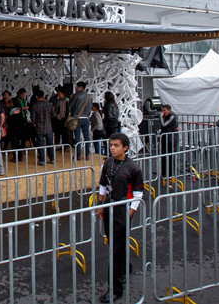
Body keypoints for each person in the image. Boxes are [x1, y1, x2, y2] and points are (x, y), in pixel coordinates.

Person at [96, 133, 144, 303]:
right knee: (114, 244)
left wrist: (130, 211)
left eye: (116, 145)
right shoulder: (108, 162)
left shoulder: (133, 168)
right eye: (111, 145)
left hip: (122, 209)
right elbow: (103, 184)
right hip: (109, 207)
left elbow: (138, 193)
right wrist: (100, 204)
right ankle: (124, 268)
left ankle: (115, 289)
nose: (112, 148)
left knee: (116, 249)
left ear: (125, 147)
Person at [30, 89, 55, 165]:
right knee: (50, 144)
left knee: (40, 144)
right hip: (48, 127)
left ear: (36, 97)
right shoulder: (49, 104)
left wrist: (34, 122)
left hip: (39, 128)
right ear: (43, 96)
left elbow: (33, 118)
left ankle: (42, 160)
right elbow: (54, 115)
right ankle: (52, 159)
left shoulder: (35, 106)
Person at [69, 81, 92, 160]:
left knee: (77, 137)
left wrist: (71, 98)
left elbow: (70, 106)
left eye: (77, 87)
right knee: (87, 137)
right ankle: (87, 154)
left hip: (77, 118)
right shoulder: (89, 96)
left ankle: (78, 155)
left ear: (80, 87)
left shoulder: (76, 95)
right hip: (86, 118)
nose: (76, 88)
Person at [159, 104, 179, 180]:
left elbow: (164, 124)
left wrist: (161, 117)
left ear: (169, 110)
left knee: (170, 156)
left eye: (165, 110)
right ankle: (163, 173)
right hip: (164, 138)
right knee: (163, 155)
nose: (163, 112)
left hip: (170, 139)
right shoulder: (166, 116)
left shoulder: (172, 116)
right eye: (162, 110)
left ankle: (170, 174)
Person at [10, 88, 29, 161]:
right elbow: (17, 109)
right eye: (23, 94)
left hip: (19, 122)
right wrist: (23, 108)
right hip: (17, 122)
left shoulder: (21, 100)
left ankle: (17, 156)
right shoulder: (15, 100)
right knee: (16, 140)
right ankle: (18, 156)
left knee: (16, 140)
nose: (24, 96)